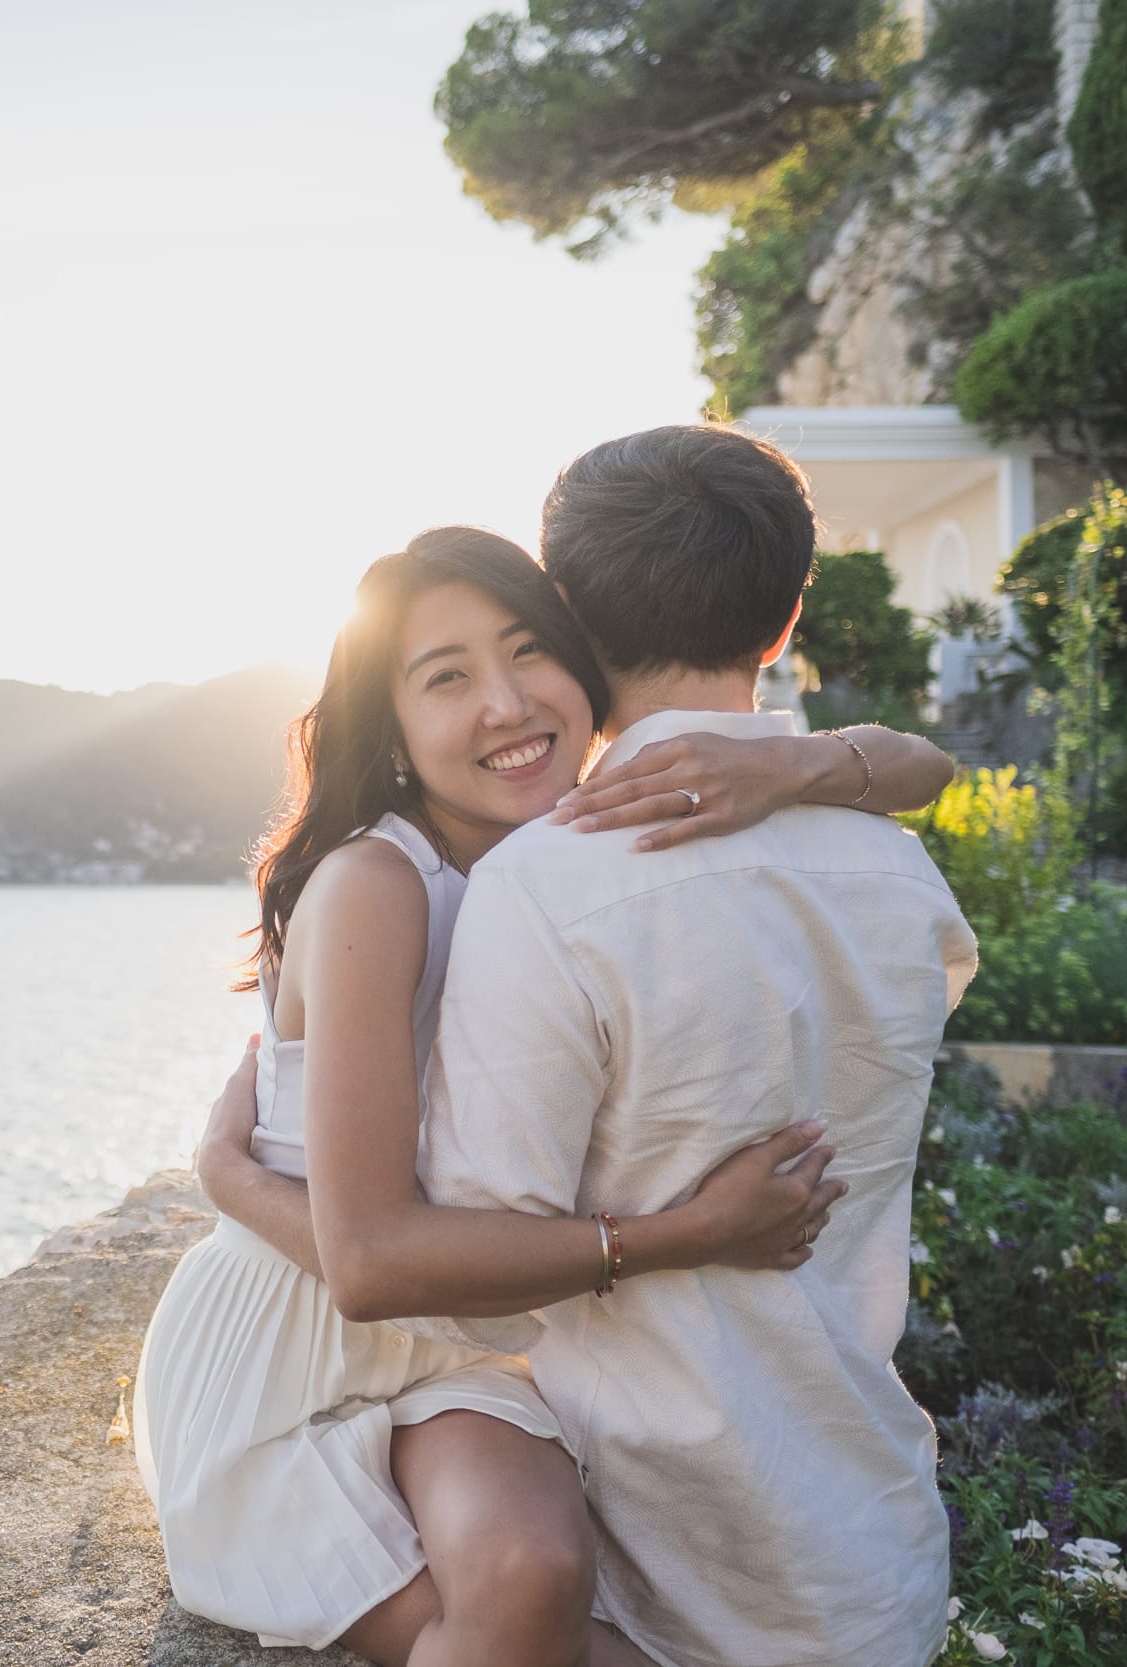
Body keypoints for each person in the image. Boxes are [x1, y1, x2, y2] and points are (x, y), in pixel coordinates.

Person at [134, 515, 963, 1665]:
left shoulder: (581, 839)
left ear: (583, 664)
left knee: (536, 1571)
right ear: (394, 727)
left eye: (527, 650)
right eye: (445, 678)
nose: (504, 703)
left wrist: (792, 762)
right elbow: (366, 1264)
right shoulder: (378, 881)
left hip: (465, 1352)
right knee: (534, 1593)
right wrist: (689, 1231)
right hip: (302, 1359)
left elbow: (924, 766)